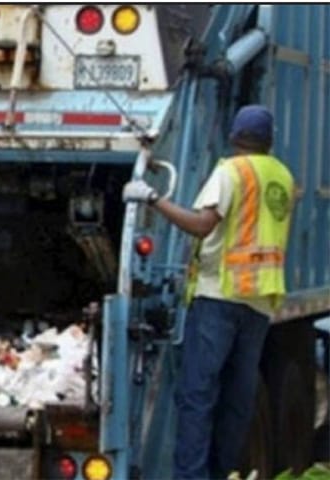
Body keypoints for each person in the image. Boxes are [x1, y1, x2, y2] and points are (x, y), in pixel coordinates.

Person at [122, 105, 295, 479]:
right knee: (237, 399)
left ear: (234, 136)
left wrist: (152, 198)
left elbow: (202, 225)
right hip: (260, 300)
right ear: (270, 140)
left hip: (220, 295)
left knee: (197, 395)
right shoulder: (282, 175)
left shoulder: (231, 171)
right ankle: (220, 473)